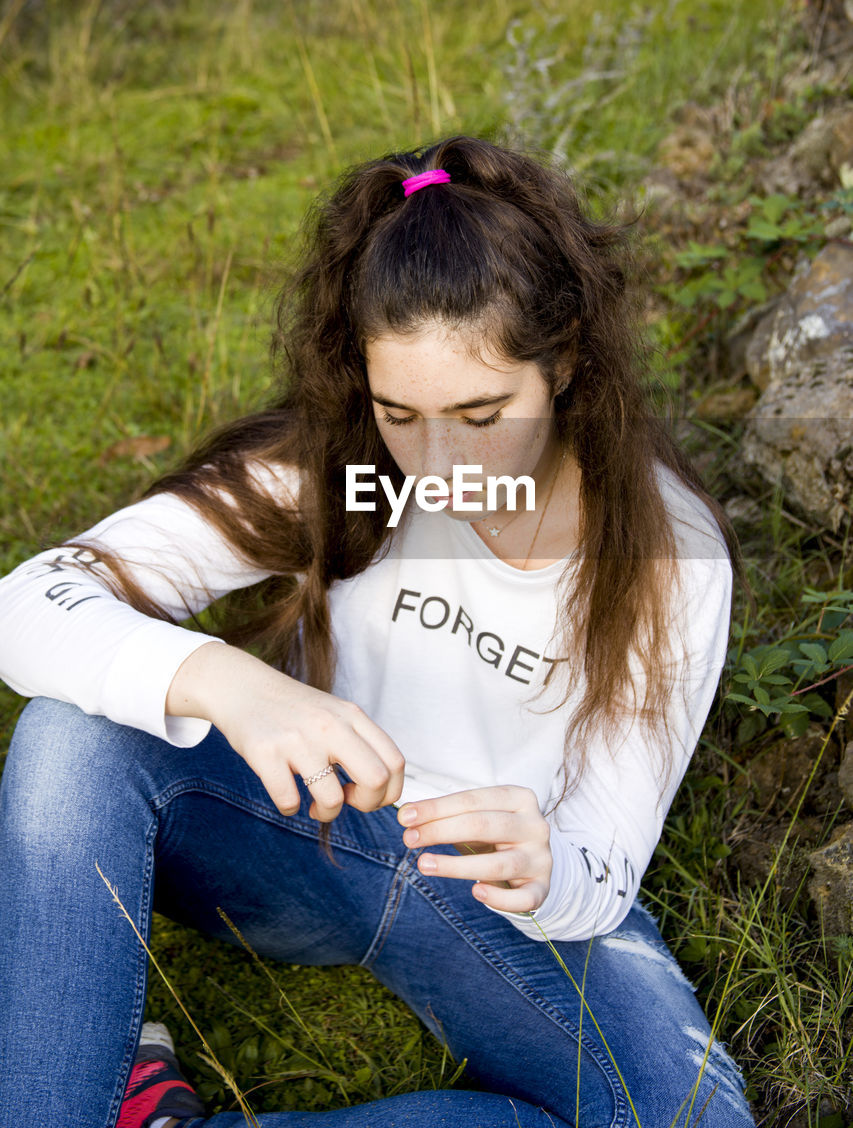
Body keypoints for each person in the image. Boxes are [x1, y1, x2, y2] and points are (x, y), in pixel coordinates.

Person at [0, 136, 756, 1128]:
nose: (437, 462)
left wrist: (549, 869)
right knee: (74, 733)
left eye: (481, 412)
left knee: (696, 1115)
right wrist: (233, 682)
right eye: (401, 411)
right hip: (290, 835)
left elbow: (606, 853)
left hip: (490, 905)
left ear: (565, 360)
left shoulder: (664, 549)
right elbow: (35, 597)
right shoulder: (349, 470)